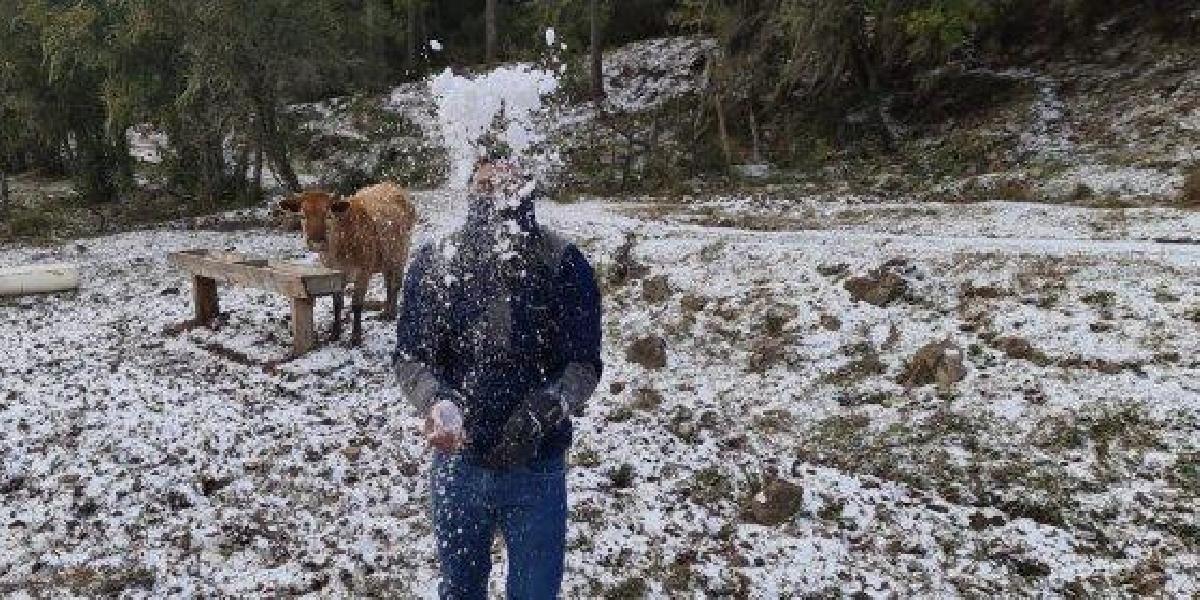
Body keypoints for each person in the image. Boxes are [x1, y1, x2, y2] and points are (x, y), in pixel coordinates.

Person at [393, 159, 603, 599]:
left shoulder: (562, 263)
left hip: (537, 468)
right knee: (460, 590)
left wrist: (549, 406)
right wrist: (437, 401)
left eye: (510, 181)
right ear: (469, 183)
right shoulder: (435, 262)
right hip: (458, 466)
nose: (497, 192)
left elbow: (583, 363)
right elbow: (411, 357)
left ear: (529, 184)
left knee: (534, 593)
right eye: (485, 183)